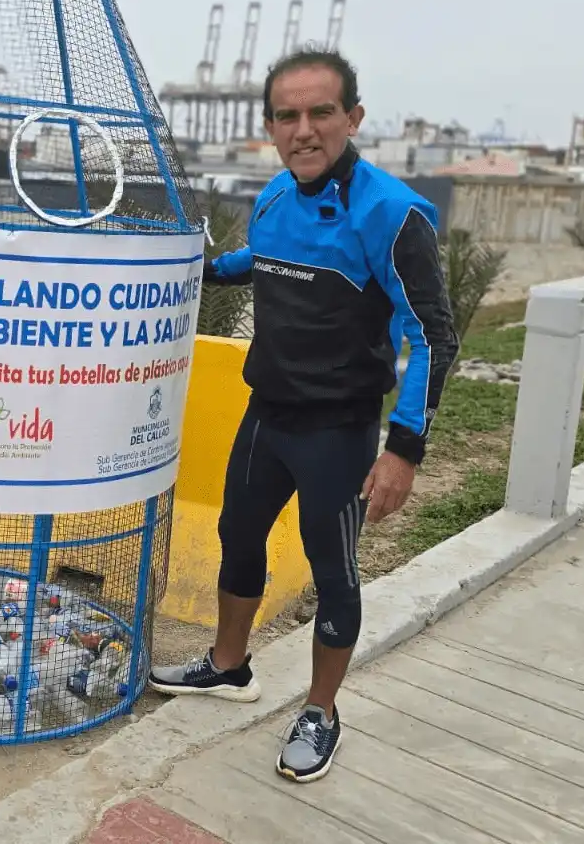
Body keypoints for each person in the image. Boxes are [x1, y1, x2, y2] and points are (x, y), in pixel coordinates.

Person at [148, 48, 457, 784]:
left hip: (338, 430)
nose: (304, 129)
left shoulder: (390, 212)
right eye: (287, 115)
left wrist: (403, 449)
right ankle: (228, 664)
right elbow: (262, 258)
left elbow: (433, 336)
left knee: (331, 569)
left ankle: (320, 709)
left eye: (321, 112)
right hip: (267, 413)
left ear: (352, 117)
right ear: (269, 127)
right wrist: (190, 264)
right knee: (237, 533)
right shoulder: (276, 197)